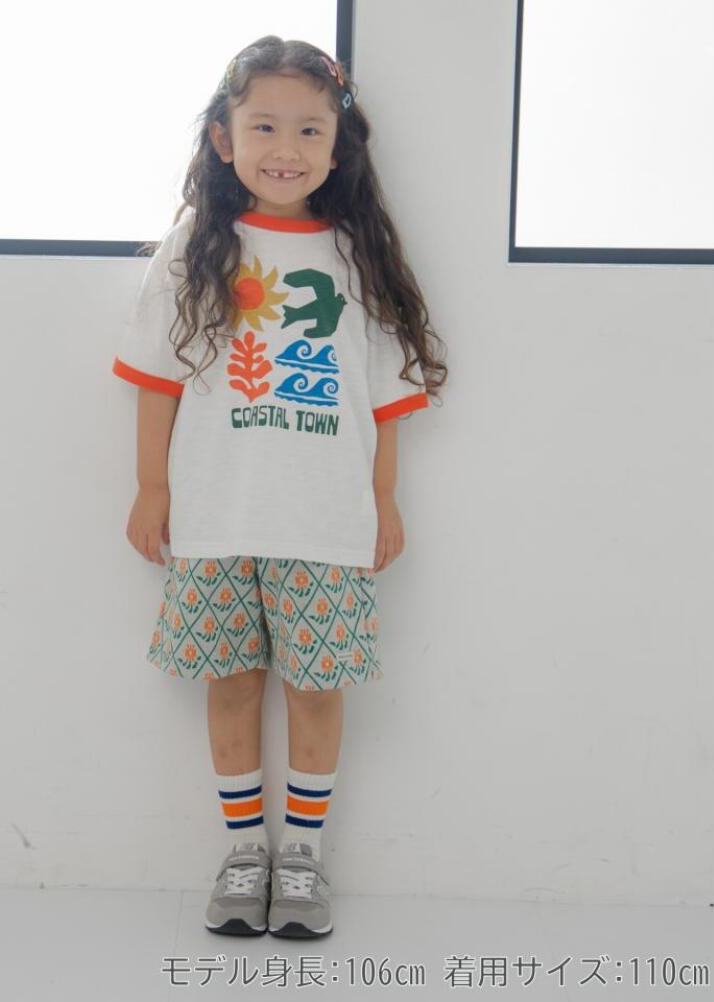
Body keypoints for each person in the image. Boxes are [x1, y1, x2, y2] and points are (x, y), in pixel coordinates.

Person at [111, 36, 447, 939]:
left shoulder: (355, 257)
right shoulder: (194, 249)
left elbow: (385, 399)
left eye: (309, 129)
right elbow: (157, 381)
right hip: (215, 516)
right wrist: (151, 487)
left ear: (339, 147)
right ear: (224, 139)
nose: (286, 148)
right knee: (230, 683)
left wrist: (383, 501)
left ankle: (301, 856)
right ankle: (242, 852)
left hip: (325, 522)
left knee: (316, 688)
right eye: (263, 126)